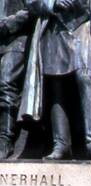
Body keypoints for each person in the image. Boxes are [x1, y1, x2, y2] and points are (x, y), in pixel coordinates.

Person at [28, 0, 91, 160]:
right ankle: (61, 143)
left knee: (87, 77)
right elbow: (31, 2)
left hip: (84, 25)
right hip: (55, 28)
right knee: (57, 83)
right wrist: (53, 3)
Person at [0, 0, 31, 158]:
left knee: (6, 83)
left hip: (17, 40)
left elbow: (32, 7)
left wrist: (7, 24)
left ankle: (5, 139)